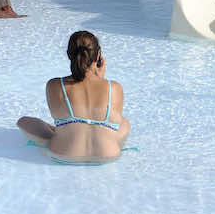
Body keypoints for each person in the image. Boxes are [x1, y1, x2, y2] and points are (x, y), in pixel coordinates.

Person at [17, 30, 131, 164]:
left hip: (64, 154)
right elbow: (112, 120)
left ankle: (68, 129)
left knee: (24, 121)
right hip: (108, 155)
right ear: (98, 55)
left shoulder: (55, 85)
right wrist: (101, 79)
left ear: (69, 54)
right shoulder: (114, 88)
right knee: (124, 123)